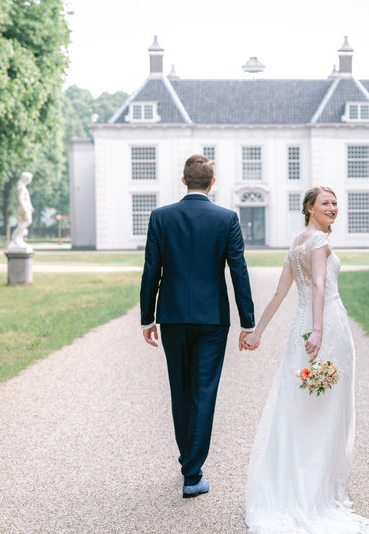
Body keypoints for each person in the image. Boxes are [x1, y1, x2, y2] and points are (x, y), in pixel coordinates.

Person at [243, 186, 369, 534]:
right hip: (325, 324)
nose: (333, 208)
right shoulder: (317, 242)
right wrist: (318, 333)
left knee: (301, 405)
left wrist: (258, 331)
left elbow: (279, 294)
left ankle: (296, 482)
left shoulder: (296, 243)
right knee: (323, 406)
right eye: (326, 204)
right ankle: (312, 491)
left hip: (300, 325)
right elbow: (319, 286)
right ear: (310, 208)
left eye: (334, 203)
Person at [140, 154, 255, 499]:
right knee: (203, 390)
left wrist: (148, 317)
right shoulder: (227, 218)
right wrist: (247, 322)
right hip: (212, 319)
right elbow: (239, 272)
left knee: (180, 388)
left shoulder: (161, 217)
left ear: (183, 180)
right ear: (212, 183)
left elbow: (151, 270)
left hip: (172, 316)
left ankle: (188, 460)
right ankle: (192, 473)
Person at [9, 172, 34, 251]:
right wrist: (25, 209)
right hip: (23, 208)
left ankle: (18, 238)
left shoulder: (22, 187)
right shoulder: (21, 187)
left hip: (24, 208)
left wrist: (30, 206)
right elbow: (21, 199)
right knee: (27, 221)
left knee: (23, 222)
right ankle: (16, 237)